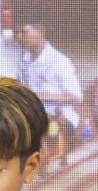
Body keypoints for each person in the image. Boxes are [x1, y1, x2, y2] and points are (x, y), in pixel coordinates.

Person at [16, 22, 83, 166]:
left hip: (59, 117)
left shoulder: (59, 61)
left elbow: (76, 97)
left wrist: (39, 96)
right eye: (19, 33)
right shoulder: (26, 58)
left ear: (40, 34)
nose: (20, 37)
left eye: (24, 33)